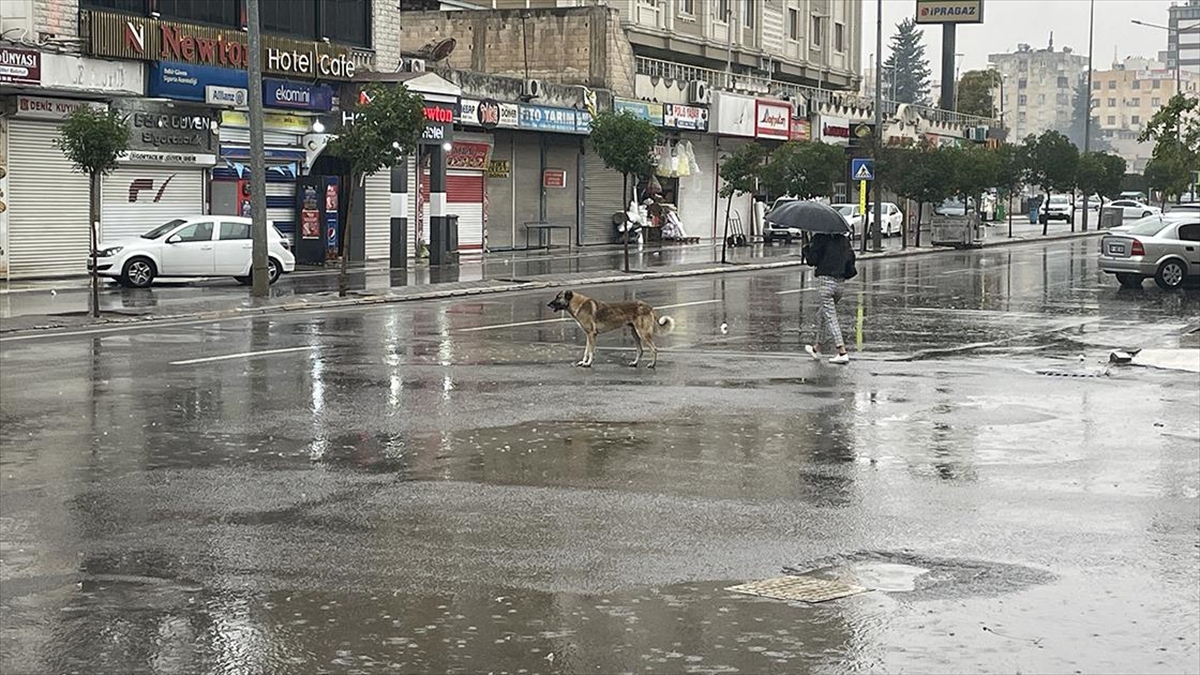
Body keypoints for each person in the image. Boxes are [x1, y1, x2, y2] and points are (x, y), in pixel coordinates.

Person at [802, 232, 857, 364]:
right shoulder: (844, 240)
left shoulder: (819, 238)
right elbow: (850, 259)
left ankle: (842, 351)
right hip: (840, 284)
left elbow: (812, 261)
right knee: (823, 314)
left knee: (830, 317)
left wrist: (806, 249)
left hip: (825, 282)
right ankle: (816, 348)